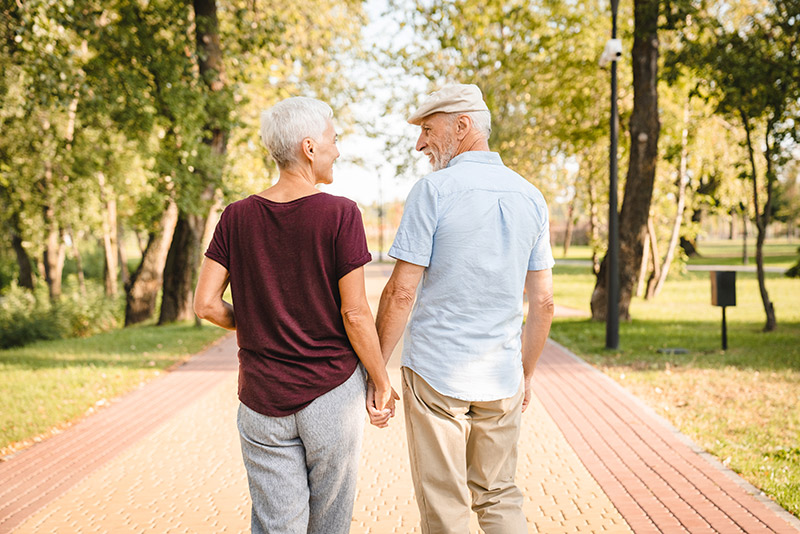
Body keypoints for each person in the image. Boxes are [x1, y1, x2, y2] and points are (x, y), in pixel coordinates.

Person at [194, 96, 395, 534]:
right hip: (331, 394)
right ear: (309, 147)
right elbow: (356, 313)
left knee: (275, 525)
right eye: (333, 140)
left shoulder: (236, 216)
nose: (337, 150)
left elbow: (205, 304)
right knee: (329, 524)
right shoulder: (341, 214)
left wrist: (254, 320)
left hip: (262, 398)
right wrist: (381, 380)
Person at [368, 84, 555, 534]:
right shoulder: (531, 196)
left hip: (436, 373)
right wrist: (526, 372)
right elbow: (543, 301)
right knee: (499, 494)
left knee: (445, 503)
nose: (420, 144)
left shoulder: (433, 190)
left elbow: (400, 293)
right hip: (502, 376)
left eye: (428, 130)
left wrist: (373, 371)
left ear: (463, 125)